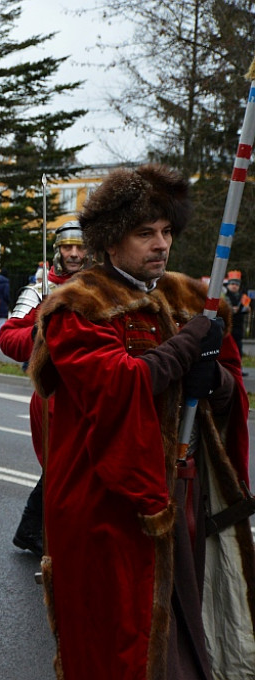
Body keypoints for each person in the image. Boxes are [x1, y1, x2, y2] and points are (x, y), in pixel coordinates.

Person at [29, 164, 253, 678]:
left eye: (167, 231)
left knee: (185, 628)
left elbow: (231, 387)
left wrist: (213, 382)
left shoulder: (191, 297)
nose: (161, 244)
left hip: (183, 493)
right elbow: (116, 386)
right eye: (144, 232)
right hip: (106, 504)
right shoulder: (76, 307)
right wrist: (184, 348)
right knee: (118, 638)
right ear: (111, 240)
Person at [0, 222, 89, 557]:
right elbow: (7, 338)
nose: (75, 254)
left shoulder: (102, 288)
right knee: (60, 466)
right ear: (57, 250)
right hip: (53, 395)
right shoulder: (39, 290)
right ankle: (47, 534)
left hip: (91, 393)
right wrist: (42, 334)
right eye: (68, 247)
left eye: (80, 247)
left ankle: (36, 530)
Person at [224, 270, 249, 354]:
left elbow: (246, 308)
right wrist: (230, 310)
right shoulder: (223, 295)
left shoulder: (243, 296)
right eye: (232, 284)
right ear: (228, 284)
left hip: (238, 330)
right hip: (226, 330)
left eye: (237, 284)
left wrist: (247, 309)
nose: (234, 286)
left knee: (238, 352)